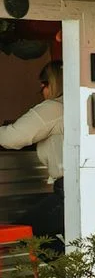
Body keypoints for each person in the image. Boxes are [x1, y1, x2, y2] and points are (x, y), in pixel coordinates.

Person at [0, 61, 66, 242]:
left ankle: (72, 268)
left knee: (21, 235)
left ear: (52, 83)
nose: (42, 93)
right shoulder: (92, 104)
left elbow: (12, 138)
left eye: (43, 86)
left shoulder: (54, 108)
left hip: (72, 193)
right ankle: (73, 265)